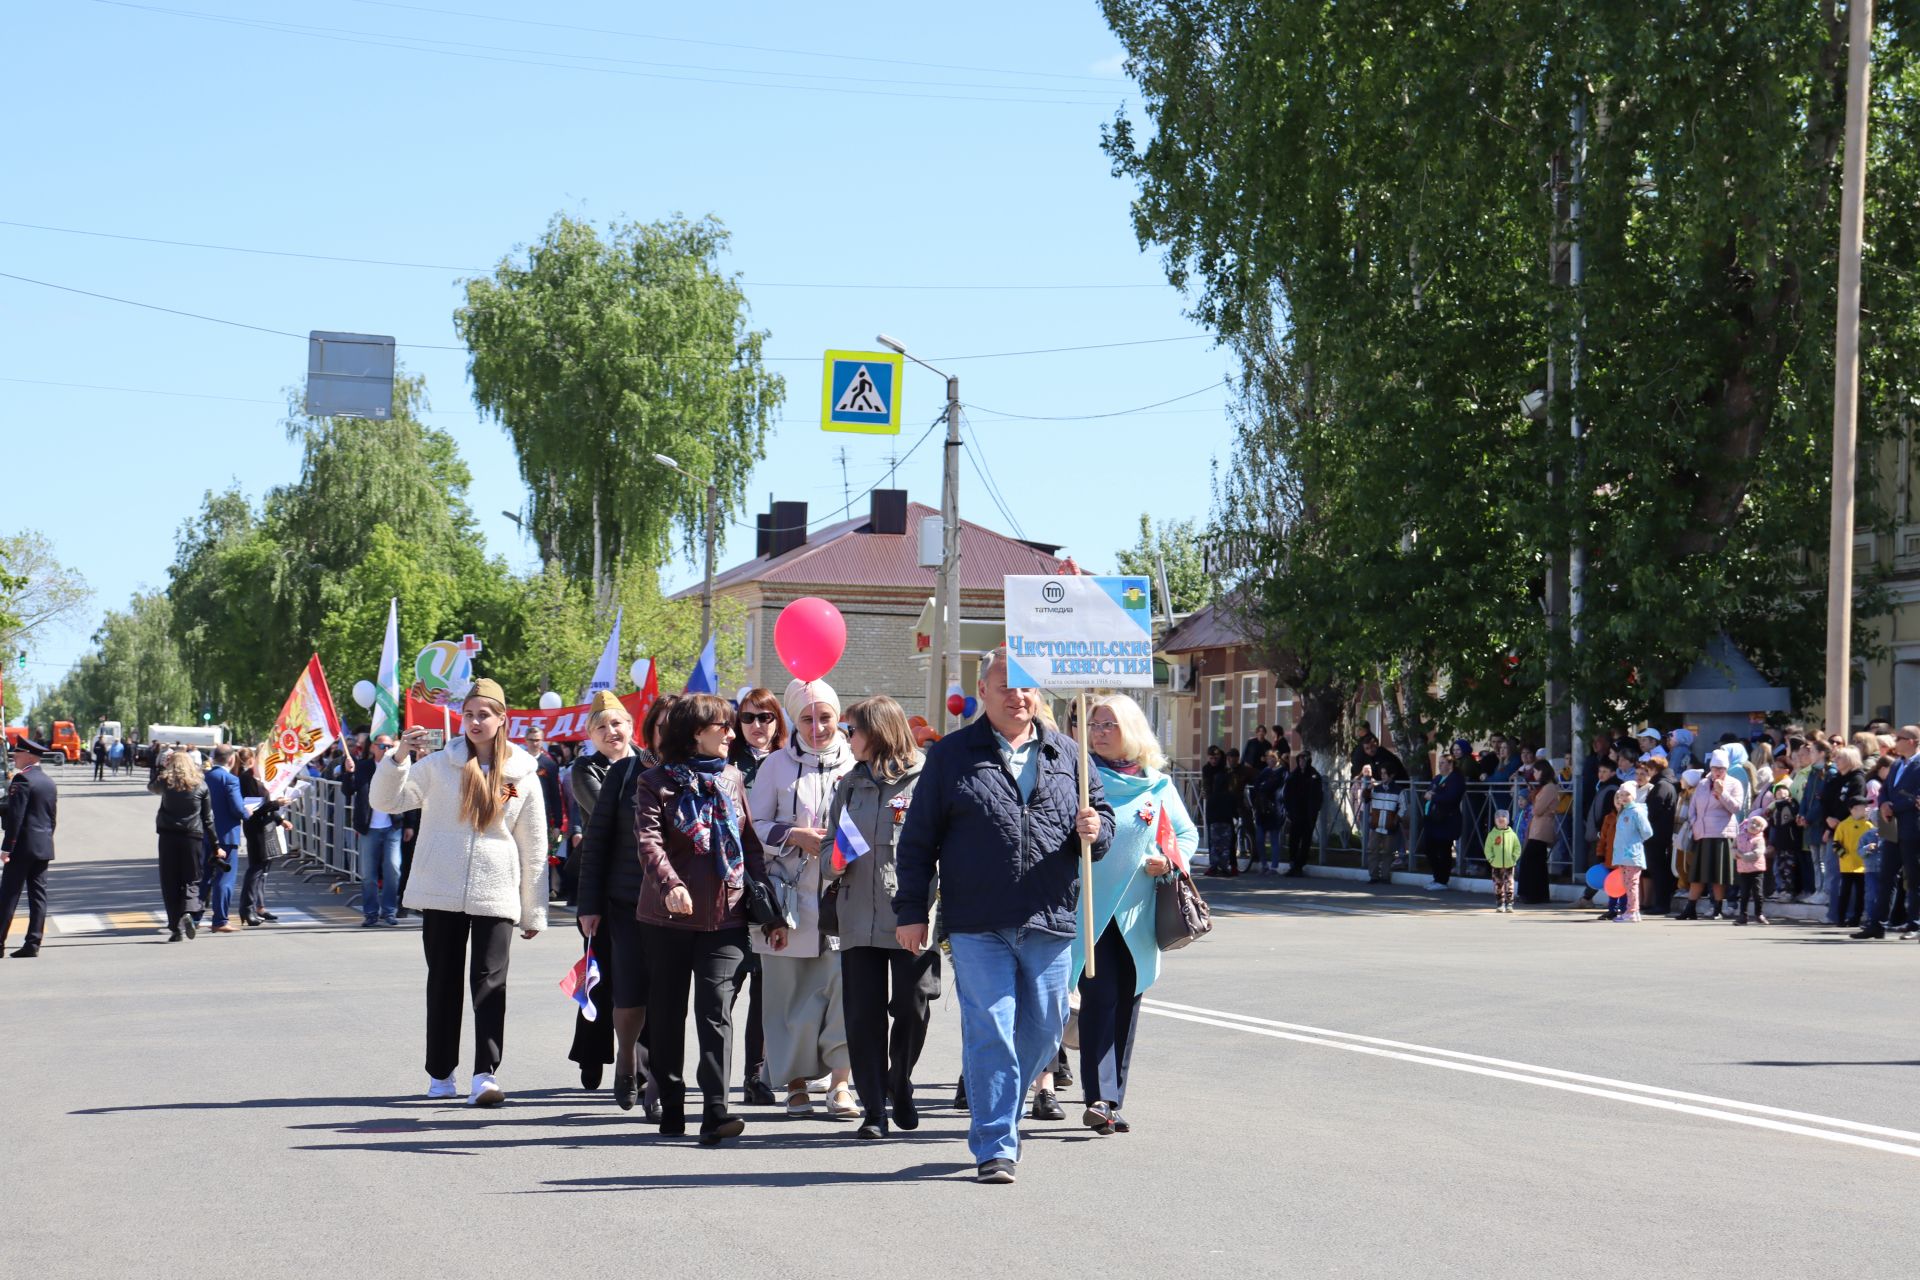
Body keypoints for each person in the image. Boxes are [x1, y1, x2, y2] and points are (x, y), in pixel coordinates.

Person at [893, 646, 1114, 1185]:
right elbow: (918, 839)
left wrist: (1097, 830)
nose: (1019, 696)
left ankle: (1004, 1108)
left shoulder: (1069, 754)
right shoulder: (951, 755)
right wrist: (911, 908)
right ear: (984, 693)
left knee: (1043, 1031)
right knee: (989, 1027)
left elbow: (1103, 821)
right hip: (977, 920)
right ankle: (995, 1143)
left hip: (1050, 917)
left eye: (1027, 687)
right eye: (1006, 685)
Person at [374, 679, 549, 1107]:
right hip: (441, 888)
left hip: (496, 889)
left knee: (491, 983)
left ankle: (485, 1074)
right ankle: (441, 1072)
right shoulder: (438, 765)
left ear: (502, 719)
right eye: (469, 714)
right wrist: (398, 756)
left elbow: (533, 843)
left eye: (484, 714)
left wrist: (534, 910)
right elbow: (386, 801)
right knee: (444, 982)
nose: (475, 722)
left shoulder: (520, 774)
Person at [634, 693, 771, 1144]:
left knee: (715, 1013)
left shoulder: (732, 777)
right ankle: (672, 1104)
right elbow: (650, 841)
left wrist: (766, 906)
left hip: (725, 918)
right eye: (723, 727)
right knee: (668, 1013)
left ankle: (716, 1111)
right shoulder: (654, 781)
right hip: (667, 918)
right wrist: (670, 883)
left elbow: (748, 842)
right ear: (696, 733)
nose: (732, 735)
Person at [1071, 694, 1194, 1136]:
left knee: (1129, 999)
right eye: (1094, 724)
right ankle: (1097, 1097)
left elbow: (1184, 835)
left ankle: (1112, 1097)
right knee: (1099, 1001)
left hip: (1138, 912)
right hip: (1090, 911)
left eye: (1109, 725)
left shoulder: (1157, 785)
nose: (1100, 732)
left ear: (1132, 730)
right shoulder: (1079, 778)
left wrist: (1167, 857)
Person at [822, 695, 940, 1139]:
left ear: (878, 732)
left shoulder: (926, 779)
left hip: (910, 914)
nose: (846, 738)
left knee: (913, 1007)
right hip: (856, 913)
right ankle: (874, 1108)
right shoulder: (849, 784)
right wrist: (832, 860)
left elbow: (940, 850)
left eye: (852, 730)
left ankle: (899, 1080)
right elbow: (831, 842)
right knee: (862, 1014)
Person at [747, 678, 858, 1120]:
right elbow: (751, 827)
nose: (818, 727)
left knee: (844, 991)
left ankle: (841, 1083)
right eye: (808, 719)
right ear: (794, 720)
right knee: (787, 995)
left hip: (842, 897)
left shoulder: (856, 761)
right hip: (787, 901)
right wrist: (792, 835)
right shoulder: (775, 765)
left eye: (826, 717)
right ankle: (794, 1085)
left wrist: (845, 849)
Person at [567, 691, 634, 1098]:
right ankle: (592, 1052)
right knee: (600, 972)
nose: (612, 731)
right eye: (602, 726)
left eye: (617, 723)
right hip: (601, 880)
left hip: (640, 881)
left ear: (630, 726)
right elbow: (610, 811)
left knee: (638, 978)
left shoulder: (650, 761)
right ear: (591, 734)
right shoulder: (586, 769)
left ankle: (638, 1062)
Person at [726, 686, 785, 1105]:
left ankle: (756, 1075)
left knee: (766, 990)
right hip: (731, 888)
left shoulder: (788, 763)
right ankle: (715, 1077)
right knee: (724, 989)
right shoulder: (727, 766)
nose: (757, 726)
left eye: (765, 717)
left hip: (776, 888)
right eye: (748, 718)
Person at [0, 737, 58, 957]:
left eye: (17, 753)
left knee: (8, 895)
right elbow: (52, 819)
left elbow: (16, 818)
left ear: (29, 755)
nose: (14, 756)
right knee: (38, 896)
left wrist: (7, 848)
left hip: (22, 847)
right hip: (42, 846)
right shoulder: (48, 782)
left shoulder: (22, 780)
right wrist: (44, 839)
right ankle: (33, 943)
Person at [150, 747, 212, 940]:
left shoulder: (165, 783)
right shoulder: (201, 785)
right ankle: (189, 911)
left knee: (170, 881)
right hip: (193, 837)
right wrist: (216, 845)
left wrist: (160, 767)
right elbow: (208, 819)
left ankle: (175, 929)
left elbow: (151, 787)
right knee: (192, 879)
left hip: (168, 837)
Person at [1680, 748, 1746, 920]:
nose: (1718, 772)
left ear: (1727, 769)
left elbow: (1736, 807)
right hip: (1702, 833)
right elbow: (1693, 807)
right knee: (1697, 874)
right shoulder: (1702, 784)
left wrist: (1721, 792)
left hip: (1721, 833)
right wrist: (1694, 824)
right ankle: (1690, 908)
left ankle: (1717, 908)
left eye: (1721, 768)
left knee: (1718, 875)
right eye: (1715, 768)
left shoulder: (1734, 783)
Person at [346, 734, 403, 927]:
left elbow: (408, 794)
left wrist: (409, 824)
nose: (386, 749)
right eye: (382, 746)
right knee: (368, 874)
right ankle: (370, 912)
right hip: (369, 828)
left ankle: (389, 911)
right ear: (372, 748)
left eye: (389, 746)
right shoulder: (363, 767)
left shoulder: (396, 767)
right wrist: (348, 773)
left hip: (392, 827)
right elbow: (348, 790)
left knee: (393, 869)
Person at [236, 746, 289, 927]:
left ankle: (254, 907)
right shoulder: (247, 779)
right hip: (256, 828)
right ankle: (247, 908)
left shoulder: (260, 778)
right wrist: (277, 803)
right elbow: (255, 808)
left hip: (265, 826)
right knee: (256, 869)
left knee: (261, 869)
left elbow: (264, 804)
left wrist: (280, 820)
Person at [199, 745, 248, 934]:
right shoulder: (230, 780)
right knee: (224, 879)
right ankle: (220, 920)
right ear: (231, 759)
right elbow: (237, 808)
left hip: (205, 834)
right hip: (227, 835)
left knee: (204, 877)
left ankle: (194, 916)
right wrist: (247, 812)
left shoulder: (204, 777)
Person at [1518, 759, 1560, 905]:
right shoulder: (1547, 788)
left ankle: (1529, 893)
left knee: (1530, 860)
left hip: (1541, 828)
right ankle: (1539, 894)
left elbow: (1538, 809)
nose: (1534, 774)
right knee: (1538, 863)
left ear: (1542, 771)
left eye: (1536, 771)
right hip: (1539, 827)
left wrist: (1534, 798)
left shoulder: (1548, 788)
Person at [1422, 750, 1465, 890]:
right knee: (1428, 848)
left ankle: (1442, 880)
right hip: (1432, 818)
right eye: (1439, 763)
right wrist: (1431, 795)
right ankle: (1437, 877)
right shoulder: (1437, 778)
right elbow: (1429, 791)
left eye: (1442, 763)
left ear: (1450, 765)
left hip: (1446, 819)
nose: (1439, 765)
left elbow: (1450, 798)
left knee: (1444, 849)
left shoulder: (1455, 779)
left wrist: (1433, 797)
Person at [1609, 781, 1652, 923]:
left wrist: (1635, 843)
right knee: (1628, 884)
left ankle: (1632, 911)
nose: (1624, 797)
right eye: (1621, 795)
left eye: (1627, 794)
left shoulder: (1637, 812)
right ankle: (1633, 910)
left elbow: (1647, 832)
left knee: (1632, 884)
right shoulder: (1623, 811)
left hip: (1632, 854)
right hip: (1623, 855)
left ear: (1633, 795)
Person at [1281, 748, 1324, 877]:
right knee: (1293, 839)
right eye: (1300, 759)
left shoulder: (1314, 775)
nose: (1301, 762)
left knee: (1306, 841)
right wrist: (1289, 810)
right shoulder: (1294, 775)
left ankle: (1300, 865)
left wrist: (1315, 810)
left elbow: (1318, 796)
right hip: (1295, 813)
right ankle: (1293, 863)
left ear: (1309, 761)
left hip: (1308, 814)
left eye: (1304, 759)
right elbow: (1287, 793)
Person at [1201, 746, 1236, 876]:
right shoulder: (1206, 769)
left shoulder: (1225, 770)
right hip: (1213, 803)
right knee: (1213, 837)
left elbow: (1231, 786)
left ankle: (1231, 864)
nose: (1213, 761)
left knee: (1228, 839)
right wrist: (1207, 794)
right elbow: (1205, 785)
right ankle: (1214, 865)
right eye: (1211, 758)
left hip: (1224, 803)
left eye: (1216, 758)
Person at [1250, 750, 1285, 875]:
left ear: (1277, 759)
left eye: (1273, 758)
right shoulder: (1264, 772)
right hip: (1262, 809)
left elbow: (1272, 786)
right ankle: (1264, 864)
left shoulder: (1281, 772)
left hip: (1274, 809)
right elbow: (1256, 786)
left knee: (1274, 839)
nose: (1271, 760)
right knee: (1259, 838)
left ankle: (1274, 867)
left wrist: (1264, 786)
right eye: (1269, 758)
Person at [1733, 812, 1769, 925]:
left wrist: (1743, 856)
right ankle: (1742, 915)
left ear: (1761, 829)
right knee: (1744, 894)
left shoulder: (1759, 839)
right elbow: (1733, 847)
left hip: (1756, 870)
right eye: (1752, 822)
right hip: (1743, 870)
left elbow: (1758, 853)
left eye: (1757, 825)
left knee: (1758, 893)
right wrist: (1735, 853)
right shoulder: (1740, 836)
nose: (1754, 825)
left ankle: (1759, 914)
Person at [1485, 809, 1521, 912]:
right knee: (1498, 884)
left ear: (1508, 820)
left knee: (1509, 884)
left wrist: (1514, 857)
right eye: (1498, 817)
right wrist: (1491, 859)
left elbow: (1517, 847)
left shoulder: (1512, 835)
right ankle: (1500, 904)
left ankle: (1509, 904)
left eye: (1503, 817)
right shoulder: (1492, 835)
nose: (1501, 819)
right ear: (1494, 820)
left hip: (1509, 864)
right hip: (1496, 865)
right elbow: (1488, 848)